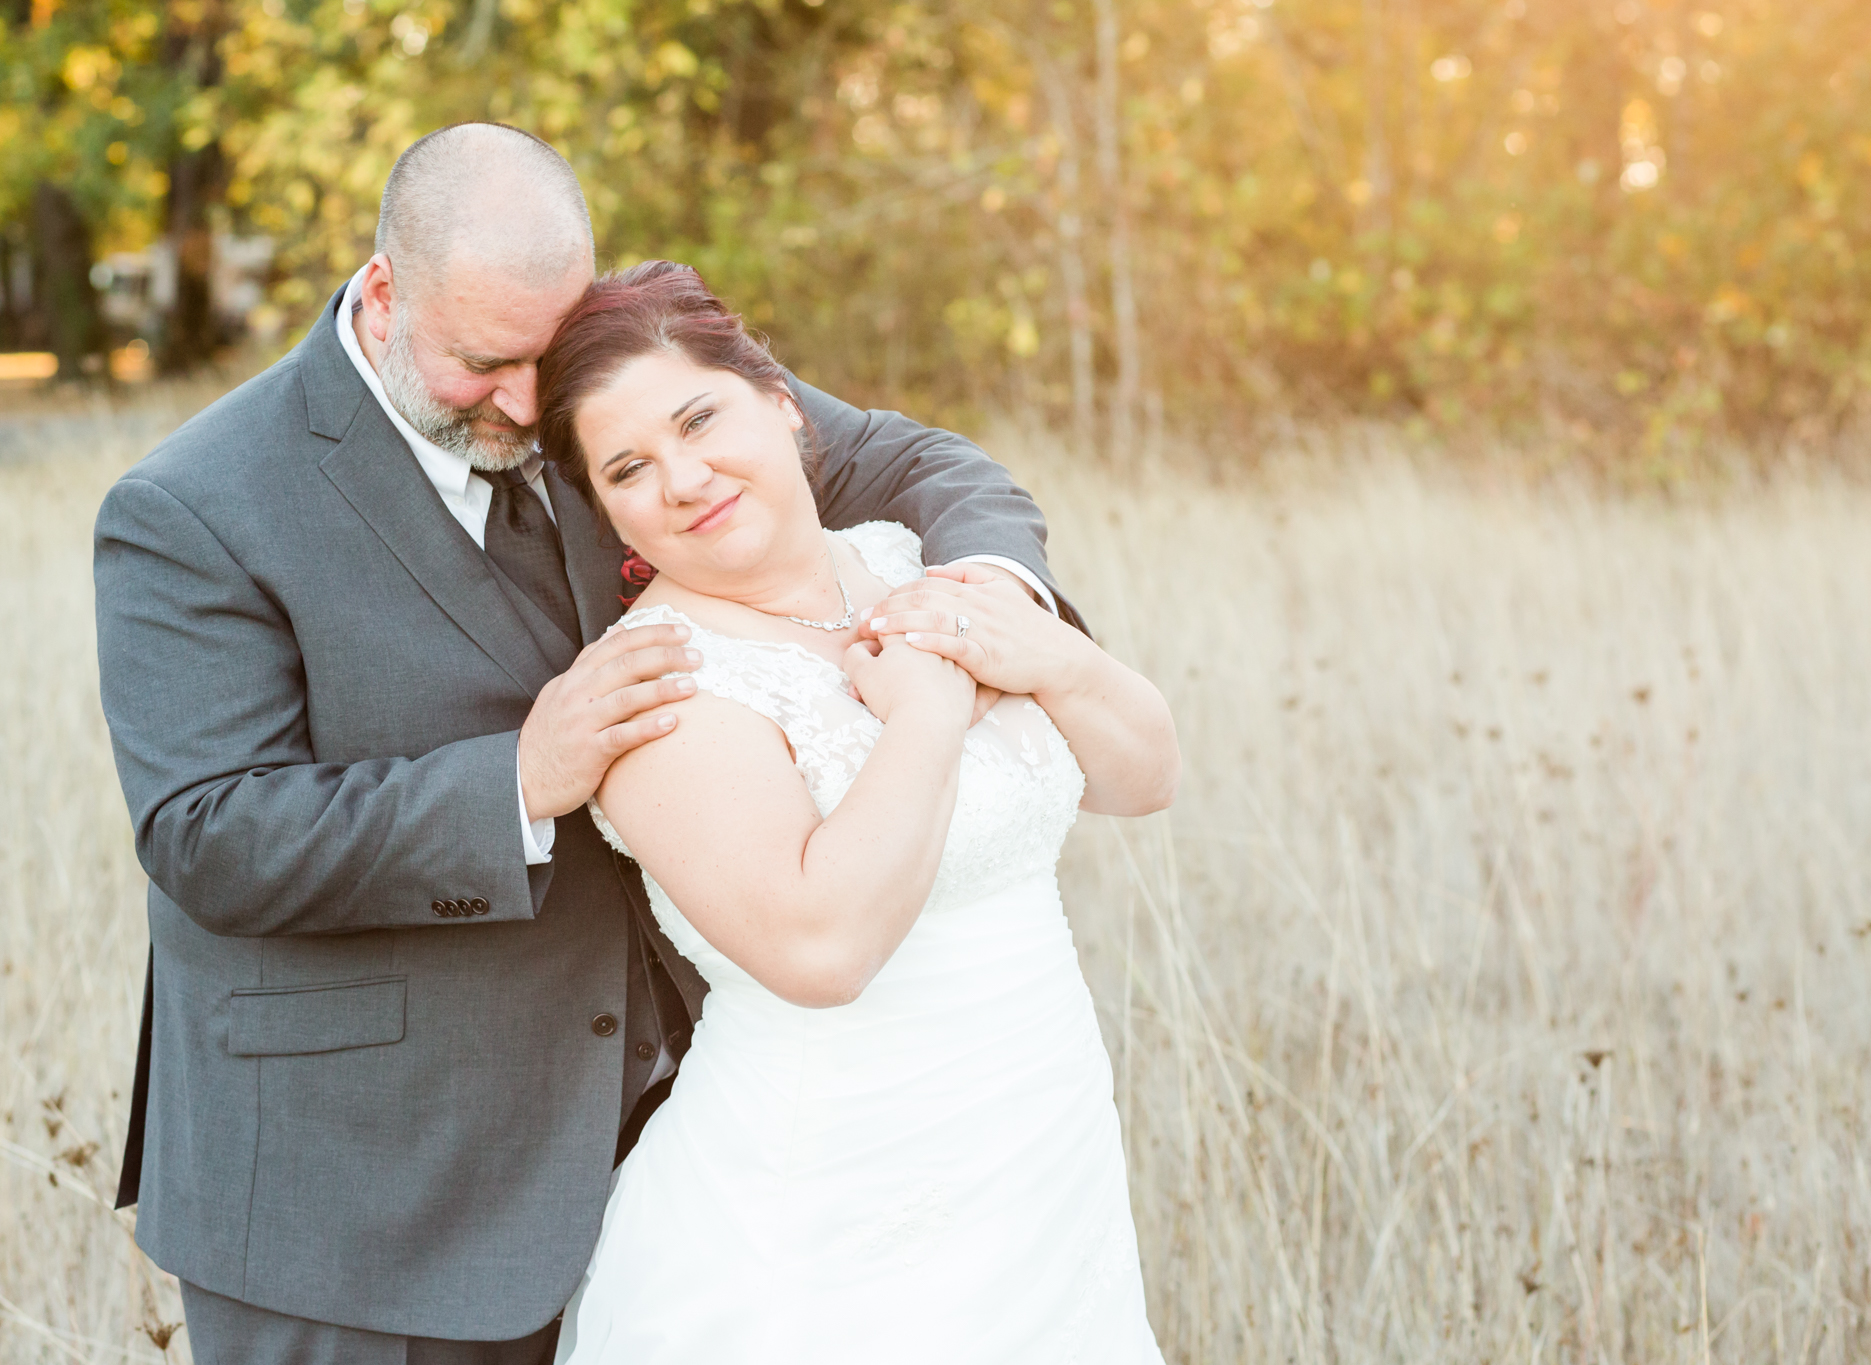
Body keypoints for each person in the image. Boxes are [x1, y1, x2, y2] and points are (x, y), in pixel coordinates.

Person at [93, 122, 1082, 1364]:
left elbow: (910, 458)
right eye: (483, 364)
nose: (525, 405)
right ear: (386, 292)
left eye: (544, 355)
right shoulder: (193, 507)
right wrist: (515, 780)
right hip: (359, 1204)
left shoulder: (610, 369)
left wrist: (991, 596)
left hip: (673, 1164)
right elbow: (208, 834)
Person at [531, 260, 1179, 1362]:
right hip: (821, 1214)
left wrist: (1045, 654)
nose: (683, 478)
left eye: (700, 420)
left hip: (1040, 1162)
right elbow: (819, 949)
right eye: (631, 468)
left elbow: (1140, 775)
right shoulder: (661, 684)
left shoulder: (909, 567)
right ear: (610, 515)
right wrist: (925, 717)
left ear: (781, 405)